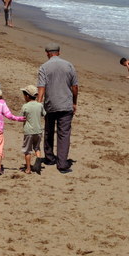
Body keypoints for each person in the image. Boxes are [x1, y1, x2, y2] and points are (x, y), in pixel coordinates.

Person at [37, 43, 78, 174]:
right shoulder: (69, 65)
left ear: (47, 53)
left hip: (50, 104)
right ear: (59, 52)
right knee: (64, 134)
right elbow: (75, 87)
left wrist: (38, 103)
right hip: (66, 104)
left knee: (49, 131)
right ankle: (62, 164)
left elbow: (41, 88)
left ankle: (49, 158)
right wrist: (74, 102)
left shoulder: (44, 67)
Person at [19, 84, 45, 174]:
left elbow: (22, 117)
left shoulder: (25, 106)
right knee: (37, 148)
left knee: (27, 150)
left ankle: (28, 168)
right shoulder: (40, 105)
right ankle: (38, 163)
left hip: (29, 131)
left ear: (27, 96)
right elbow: (43, 114)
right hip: (38, 131)